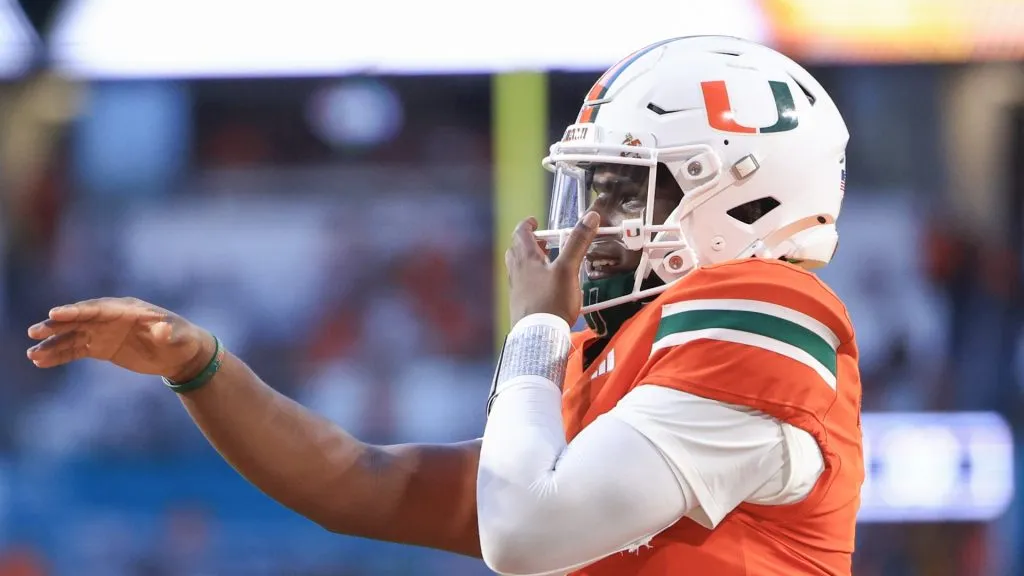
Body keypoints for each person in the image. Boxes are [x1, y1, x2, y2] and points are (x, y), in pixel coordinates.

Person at [26, 36, 863, 575]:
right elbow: (362, 484)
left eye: (623, 187)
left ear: (744, 199)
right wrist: (199, 366)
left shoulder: (765, 304)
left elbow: (524, 534)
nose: (596, 219)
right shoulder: (617, 365)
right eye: (596, 184)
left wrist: (535, 331)